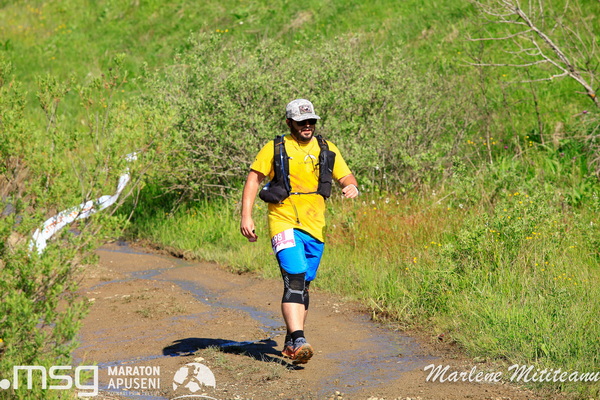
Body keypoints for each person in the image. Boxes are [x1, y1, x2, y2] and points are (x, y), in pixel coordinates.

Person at [240, 99, 359, 364]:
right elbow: (254, 180)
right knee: (294, 278)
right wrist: (246, 216)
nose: (307, 126)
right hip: (283, 221)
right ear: (289, 123)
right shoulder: (275, 148)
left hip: (315, 227)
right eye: (301, 122)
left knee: (303, 284)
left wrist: (351, 186)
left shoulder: (327, 148)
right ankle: (300, 338)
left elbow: (346, 176)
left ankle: (291, 343)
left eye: (311, 121)